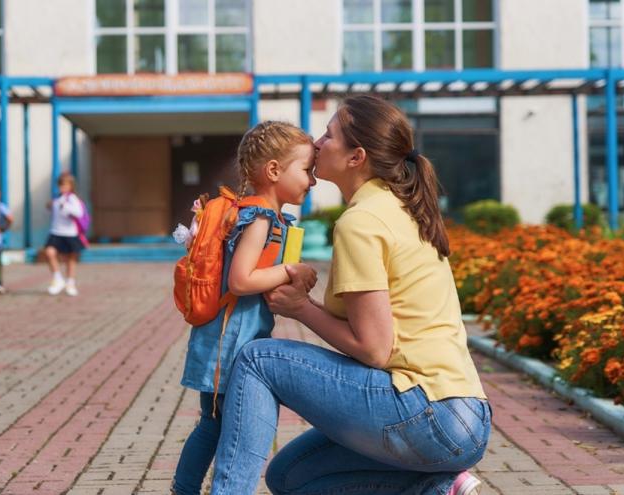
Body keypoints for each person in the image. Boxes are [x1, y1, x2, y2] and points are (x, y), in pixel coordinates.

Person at [209, 95, 491, 495]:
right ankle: (436, 488)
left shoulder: (362, 221)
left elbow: (374, 349)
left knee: (258, 359)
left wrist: (302, 309)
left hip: (429, 412)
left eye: (329, 134)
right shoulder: (396, 207)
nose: (318, 142)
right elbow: (375, 332)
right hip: (463, 417)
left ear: (356, 156)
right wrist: (301, 306)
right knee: (290, 476)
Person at [172, 121, 318, 495]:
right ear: (273, 171)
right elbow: (241, 281)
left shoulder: (258, 215)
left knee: (213, 421)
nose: (313, 181)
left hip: (226, 339)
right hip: (229, 343)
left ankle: (185, 488)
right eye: (306, 170)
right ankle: (184, 489)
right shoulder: (261, 219)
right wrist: (288, 270)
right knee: (214, 423)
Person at [45, 173, 85, 296]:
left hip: (70, 233)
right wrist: (50, 205)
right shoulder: (57, 198)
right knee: (49, 253)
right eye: (61, 184)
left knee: (70, 259)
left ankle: (70, 283)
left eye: (65, 184)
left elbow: (79, 213)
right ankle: (58, 279)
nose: (63, 187)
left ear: (71, 186)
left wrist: (65, 206)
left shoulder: (72, 198)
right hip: (56, 232)